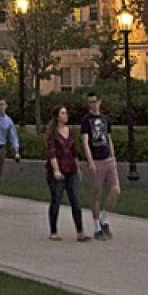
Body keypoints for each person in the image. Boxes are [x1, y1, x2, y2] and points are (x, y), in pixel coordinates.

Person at [43, 105, 89, 242]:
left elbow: (74, 152)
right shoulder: (53, 134)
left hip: (71, 170)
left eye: (66, 113)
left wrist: (78, 168)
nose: (66, 115)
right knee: (56, 200)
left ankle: (80, 231)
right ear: (57, 116)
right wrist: (56, 170)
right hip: (58, 171)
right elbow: (52, 154)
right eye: (63, 113)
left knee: (76, 200)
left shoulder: (71, 132)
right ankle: (53, 231)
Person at [78, 91, 120, 240]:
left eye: (94, 101)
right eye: (90, 102)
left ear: (100, 102)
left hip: (108, 159)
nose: (92, 104)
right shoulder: (86, 120)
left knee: (115, 190)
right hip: (96, 160)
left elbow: (109, 138)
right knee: (97, 194)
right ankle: (97, 227)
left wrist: (113, 157)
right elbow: (85, 141)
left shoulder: (105, 119)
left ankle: (104, 218)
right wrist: (90, 161)